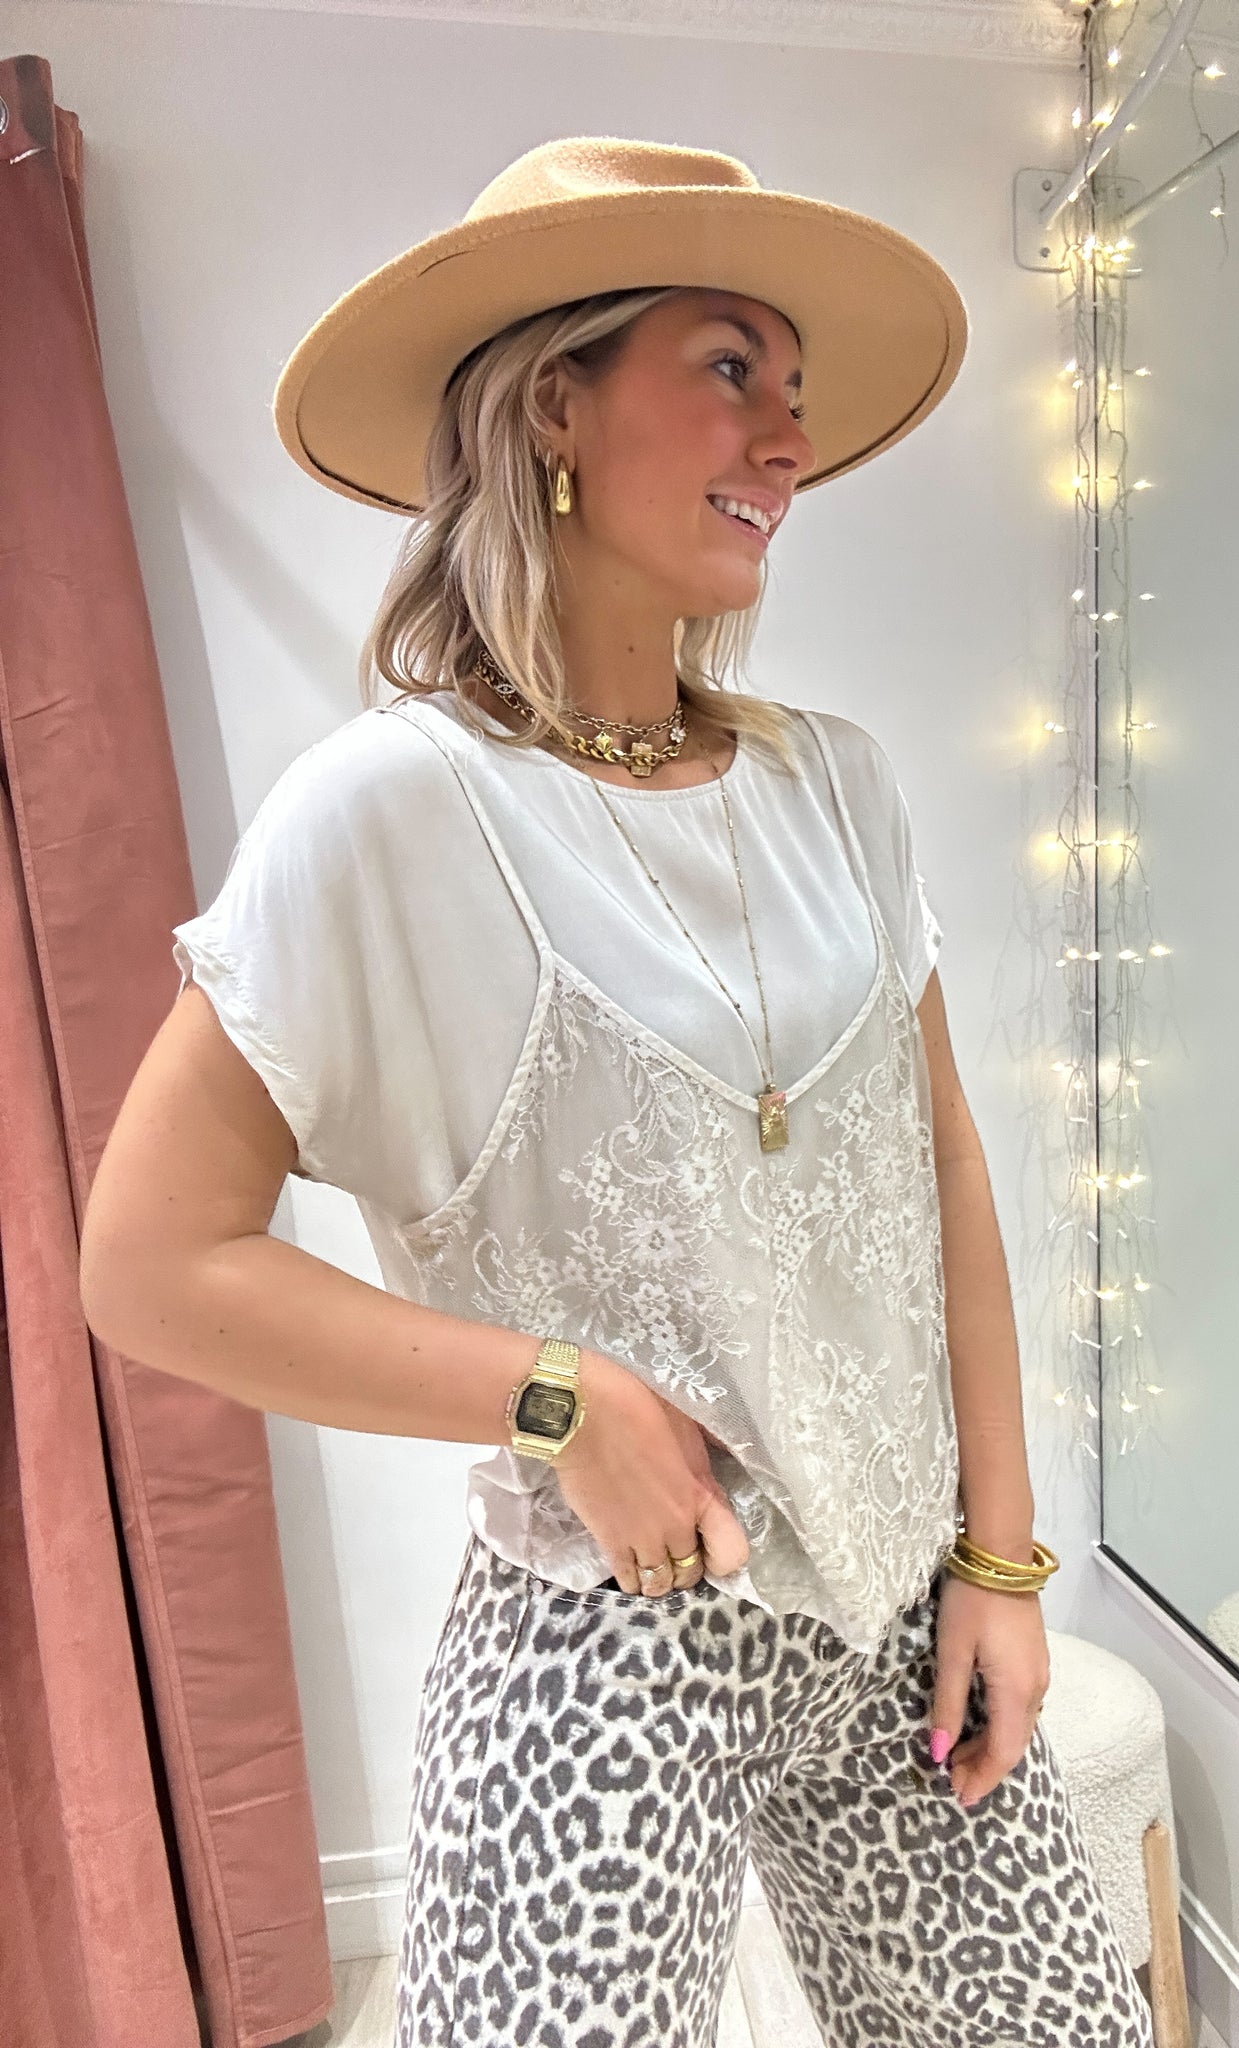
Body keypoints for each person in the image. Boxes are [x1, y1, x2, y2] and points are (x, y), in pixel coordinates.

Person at [81, 137, 1155, 2048]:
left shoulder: (837, 785)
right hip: (605, 1638)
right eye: (730, 368)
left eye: (794, 391)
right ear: (550, 406)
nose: (786, 442)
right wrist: (554, 1396)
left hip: (898, 1622)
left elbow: (946, 1182)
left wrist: (1002, 1558)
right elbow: (149, 1265)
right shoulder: (388, 811)